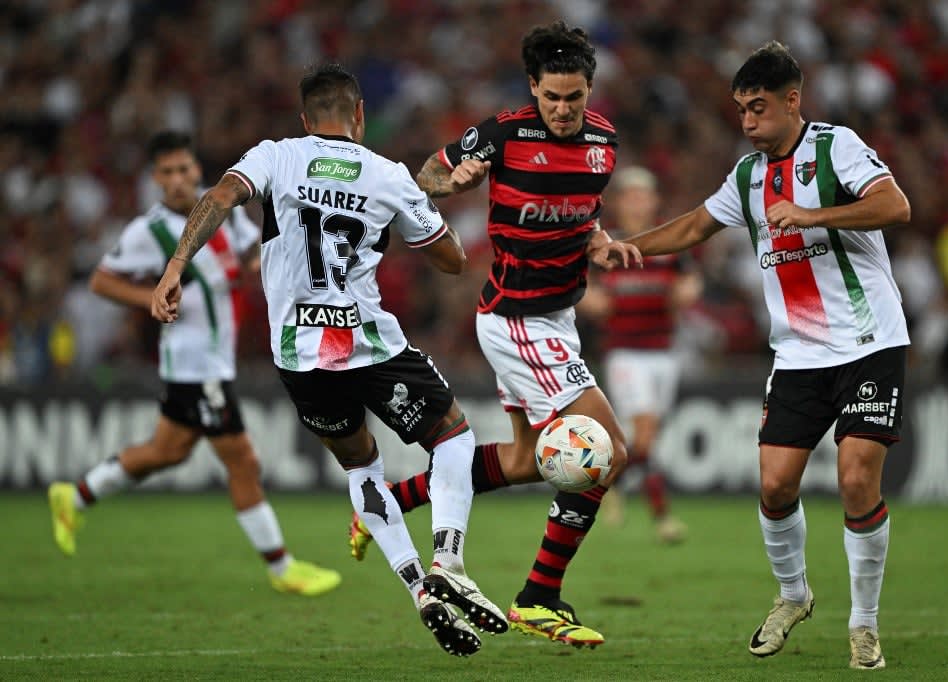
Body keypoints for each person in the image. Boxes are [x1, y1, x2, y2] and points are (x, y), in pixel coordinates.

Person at [150, 64, 507, 657]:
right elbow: (451, 260)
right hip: (367, 342)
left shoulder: (276, 155)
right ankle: (447, 558)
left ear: (304, 118)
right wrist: (428, 203)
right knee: (453, 437)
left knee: (362, 467)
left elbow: (218, 197)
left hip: (297, 354)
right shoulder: (387, 173)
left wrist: (174, 267)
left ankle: (419, 588)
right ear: (360, 115)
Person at [593, 41, 910, 670]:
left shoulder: (834, 146)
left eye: (758, 108)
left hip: (869, 342)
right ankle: (793, 596)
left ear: (792, 100)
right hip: (797, 354)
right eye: (741, 110)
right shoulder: (747, 175)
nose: (747, 122)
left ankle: (865, 625)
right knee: (773, 486)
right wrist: (628, 247)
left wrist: (814, 213)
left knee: (854, 480)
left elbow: (894, 206)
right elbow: (693, 225)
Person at [348, 21, 640, 649]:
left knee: (522, 460)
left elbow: (583, 214)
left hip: (556, 317)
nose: (563, 109)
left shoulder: (605, 144)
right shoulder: (503, 133)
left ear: (590, 90)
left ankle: (392, 502)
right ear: (533, 86)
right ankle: (539, 595)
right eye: (552, 96)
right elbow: (423, 172)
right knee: (607, 448)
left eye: (575, 97)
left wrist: (601, 241)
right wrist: (450, 183)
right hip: (518, 318)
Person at [46, 131, 341, 598]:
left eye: (185, 169)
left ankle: (76, 495)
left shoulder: (224, 216)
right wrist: (150, 296)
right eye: (168, 172)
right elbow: (102, 281)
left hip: (214, 360)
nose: (179, 179)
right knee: (243, 460)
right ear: (155, 179)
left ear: (197, 170)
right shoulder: (150, 232)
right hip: (194, 363)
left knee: (168, 451)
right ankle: (282, 567)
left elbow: (248, 256)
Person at [576, 166, 696, 544]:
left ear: (654, 201)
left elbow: (690, 282)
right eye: (630, 195)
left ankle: (607, 483)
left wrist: (685, 292)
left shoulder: (666, 244)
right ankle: (663, 517)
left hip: (664, 352)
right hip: (625, 353)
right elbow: (584, 293)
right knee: (644, 435)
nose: (637, 202)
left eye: (643, 195)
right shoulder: (603, 246)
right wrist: (598, 301)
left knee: (640, 441)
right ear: (619, 203)